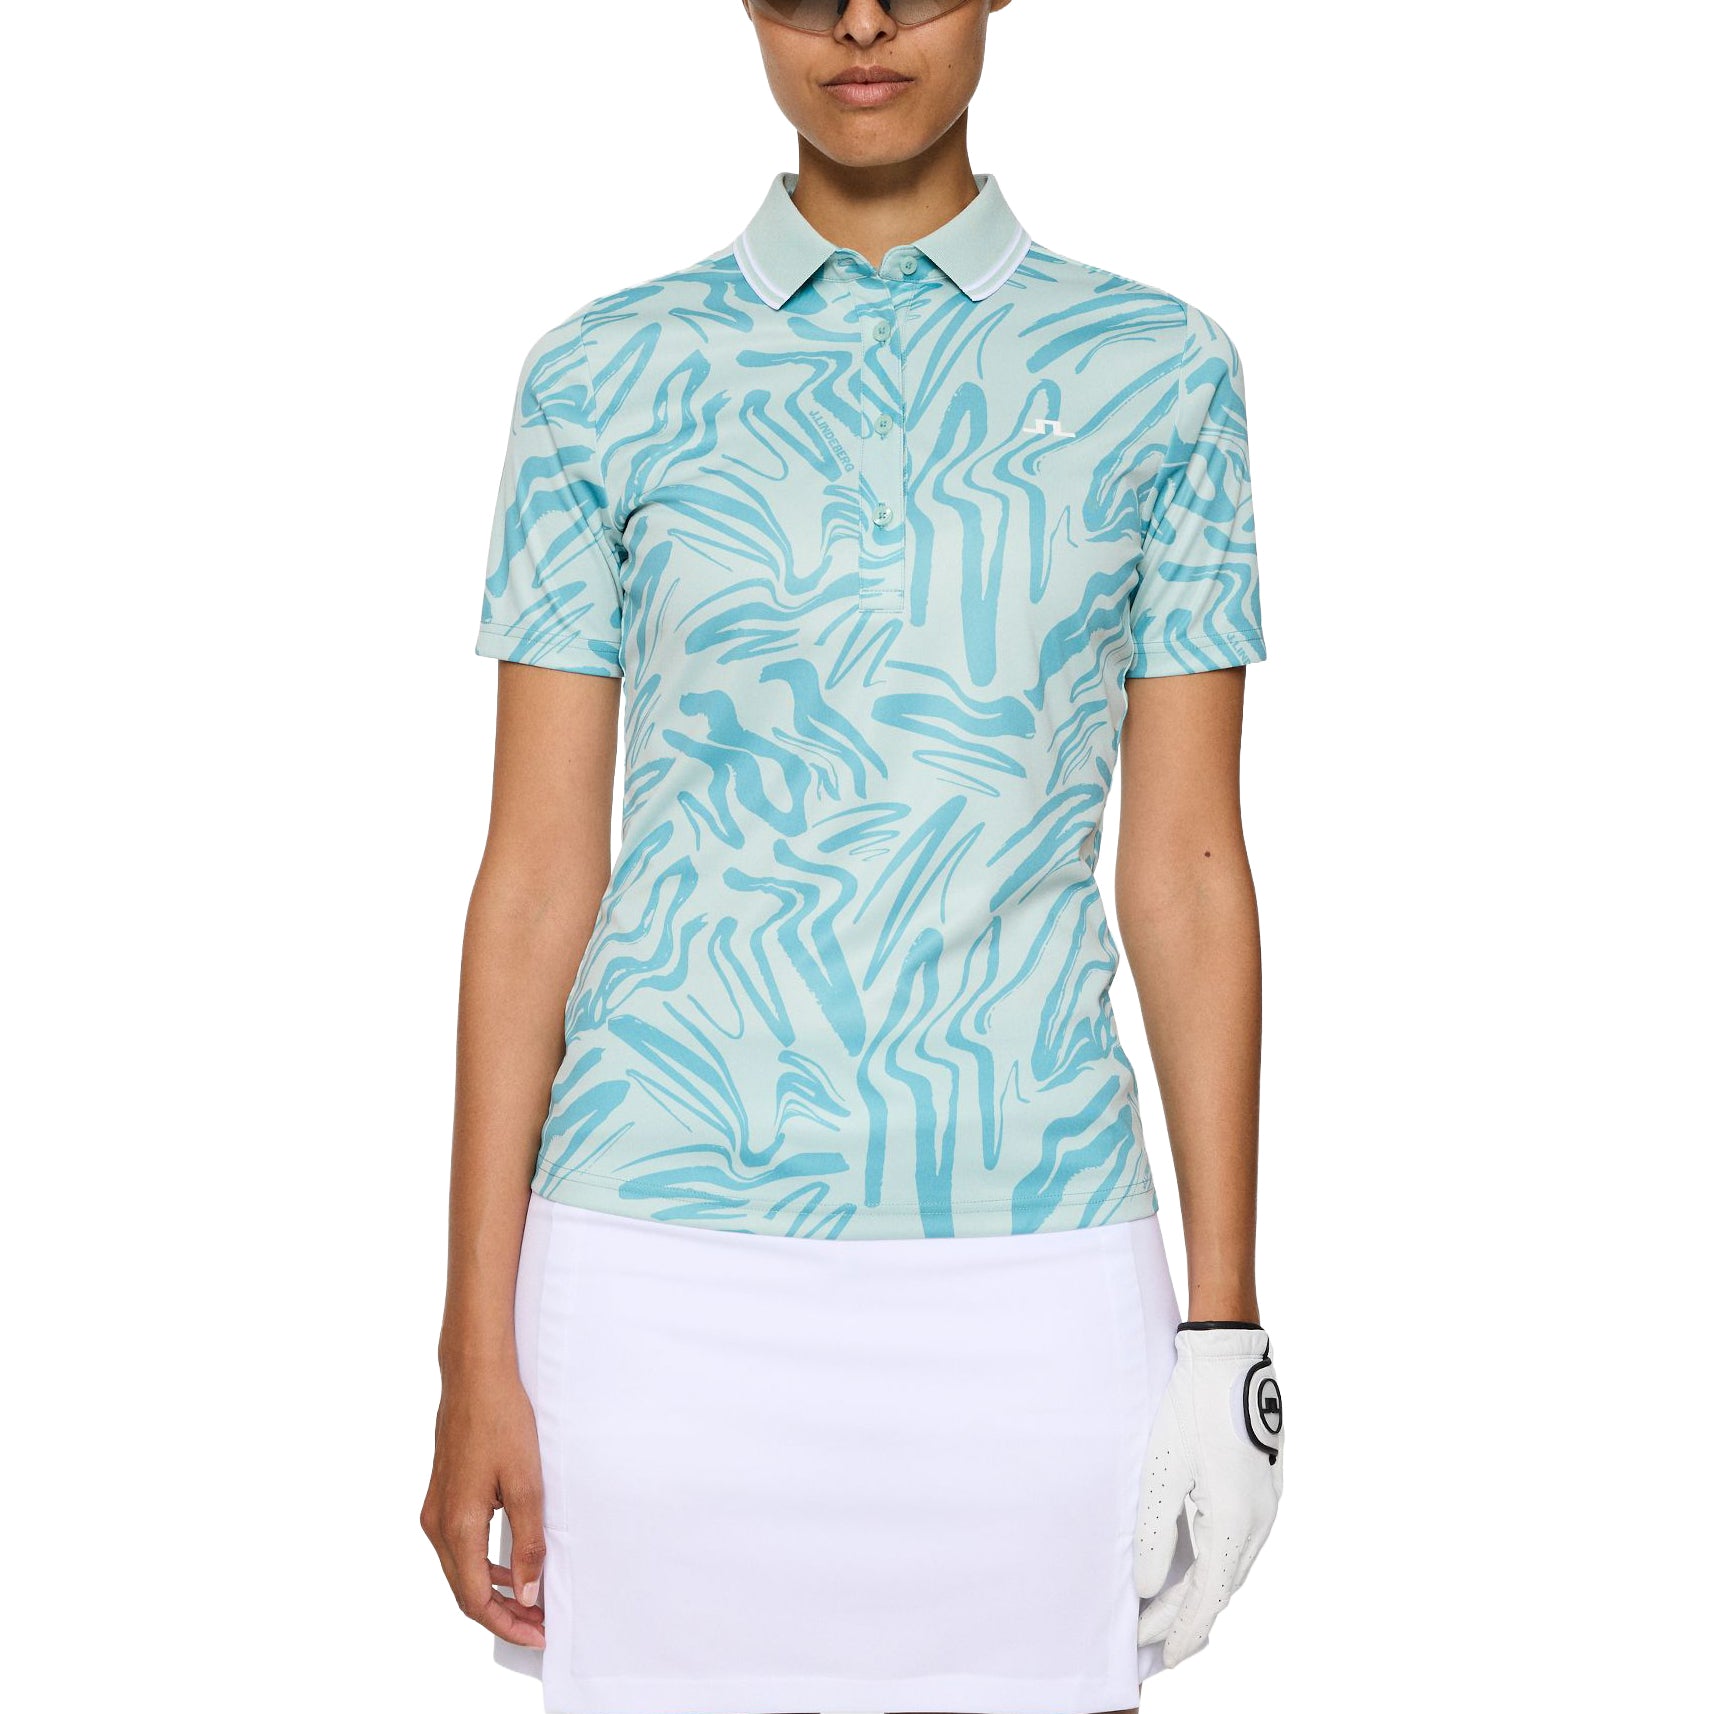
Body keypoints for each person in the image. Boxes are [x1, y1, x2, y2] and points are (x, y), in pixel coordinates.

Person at [420, 3, 1284, 1711]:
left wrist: (1226, 1331)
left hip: (1037, 1272)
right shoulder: (601, 375)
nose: (863, 21)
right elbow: (533, 876)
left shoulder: (1160, 371)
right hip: (650, 1271)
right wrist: (472, 1343)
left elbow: (1187, 869)